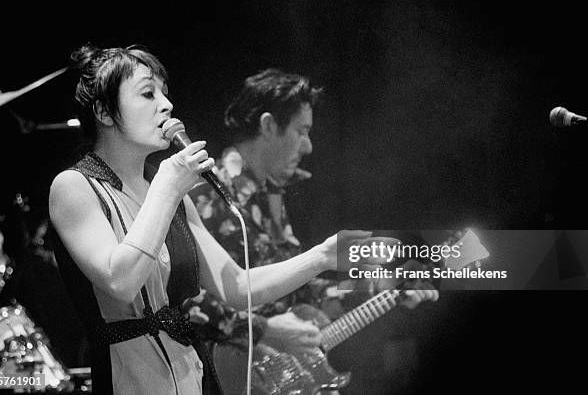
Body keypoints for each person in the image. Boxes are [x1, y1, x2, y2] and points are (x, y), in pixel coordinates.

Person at [48, 46, 379, 395]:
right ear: (103, 111)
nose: (166, 104)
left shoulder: (171, 194)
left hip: (193, 374)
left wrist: (323, 257)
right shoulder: (75, 186)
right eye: (148, 93)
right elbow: (120, 281)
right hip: (127, 380)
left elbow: (237, 287)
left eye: (164, 92)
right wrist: (167, 186)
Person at [181, 69, 439, 387]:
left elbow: (298, 293)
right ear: (268, 125)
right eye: (302, 131)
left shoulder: (272, 199)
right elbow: (184, 299)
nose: (308, 147)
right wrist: (265, 329)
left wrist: (385, 287)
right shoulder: (204, 196)